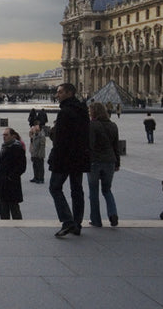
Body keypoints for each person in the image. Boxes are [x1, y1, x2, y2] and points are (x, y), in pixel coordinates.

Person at [49, 83, 90, 237]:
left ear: (69, 93)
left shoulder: (65, 112)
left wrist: (53, 132)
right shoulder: (83, 110)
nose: (57, 95)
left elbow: (59, 139)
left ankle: (67, 221)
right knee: (77, 190)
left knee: (54, 187)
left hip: (64, 158)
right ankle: (77, 224)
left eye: (60, 92)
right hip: (79, 157)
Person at [87, 102, 120, 228]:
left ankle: (96, 220)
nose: (89, 113)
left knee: (93, 192)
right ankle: (113, 214)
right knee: (107, 190)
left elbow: (90, 145)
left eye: (90, 111)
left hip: (95, 162)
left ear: (94, 112)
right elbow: (116, 146)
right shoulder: (113, 125)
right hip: (110, 162)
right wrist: (117, 163)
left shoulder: (92, 125)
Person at [0, 128, 27, 219]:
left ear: (13, 136)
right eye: (3, 135)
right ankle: (4, 226)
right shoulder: (4, 146)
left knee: (14, 208)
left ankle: (18, 225)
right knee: (3, 209)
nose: (4, 137)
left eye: (6, 135)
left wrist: (11, 177)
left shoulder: (17, 148)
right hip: (2, 182)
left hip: (11, 184)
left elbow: (22, 167)